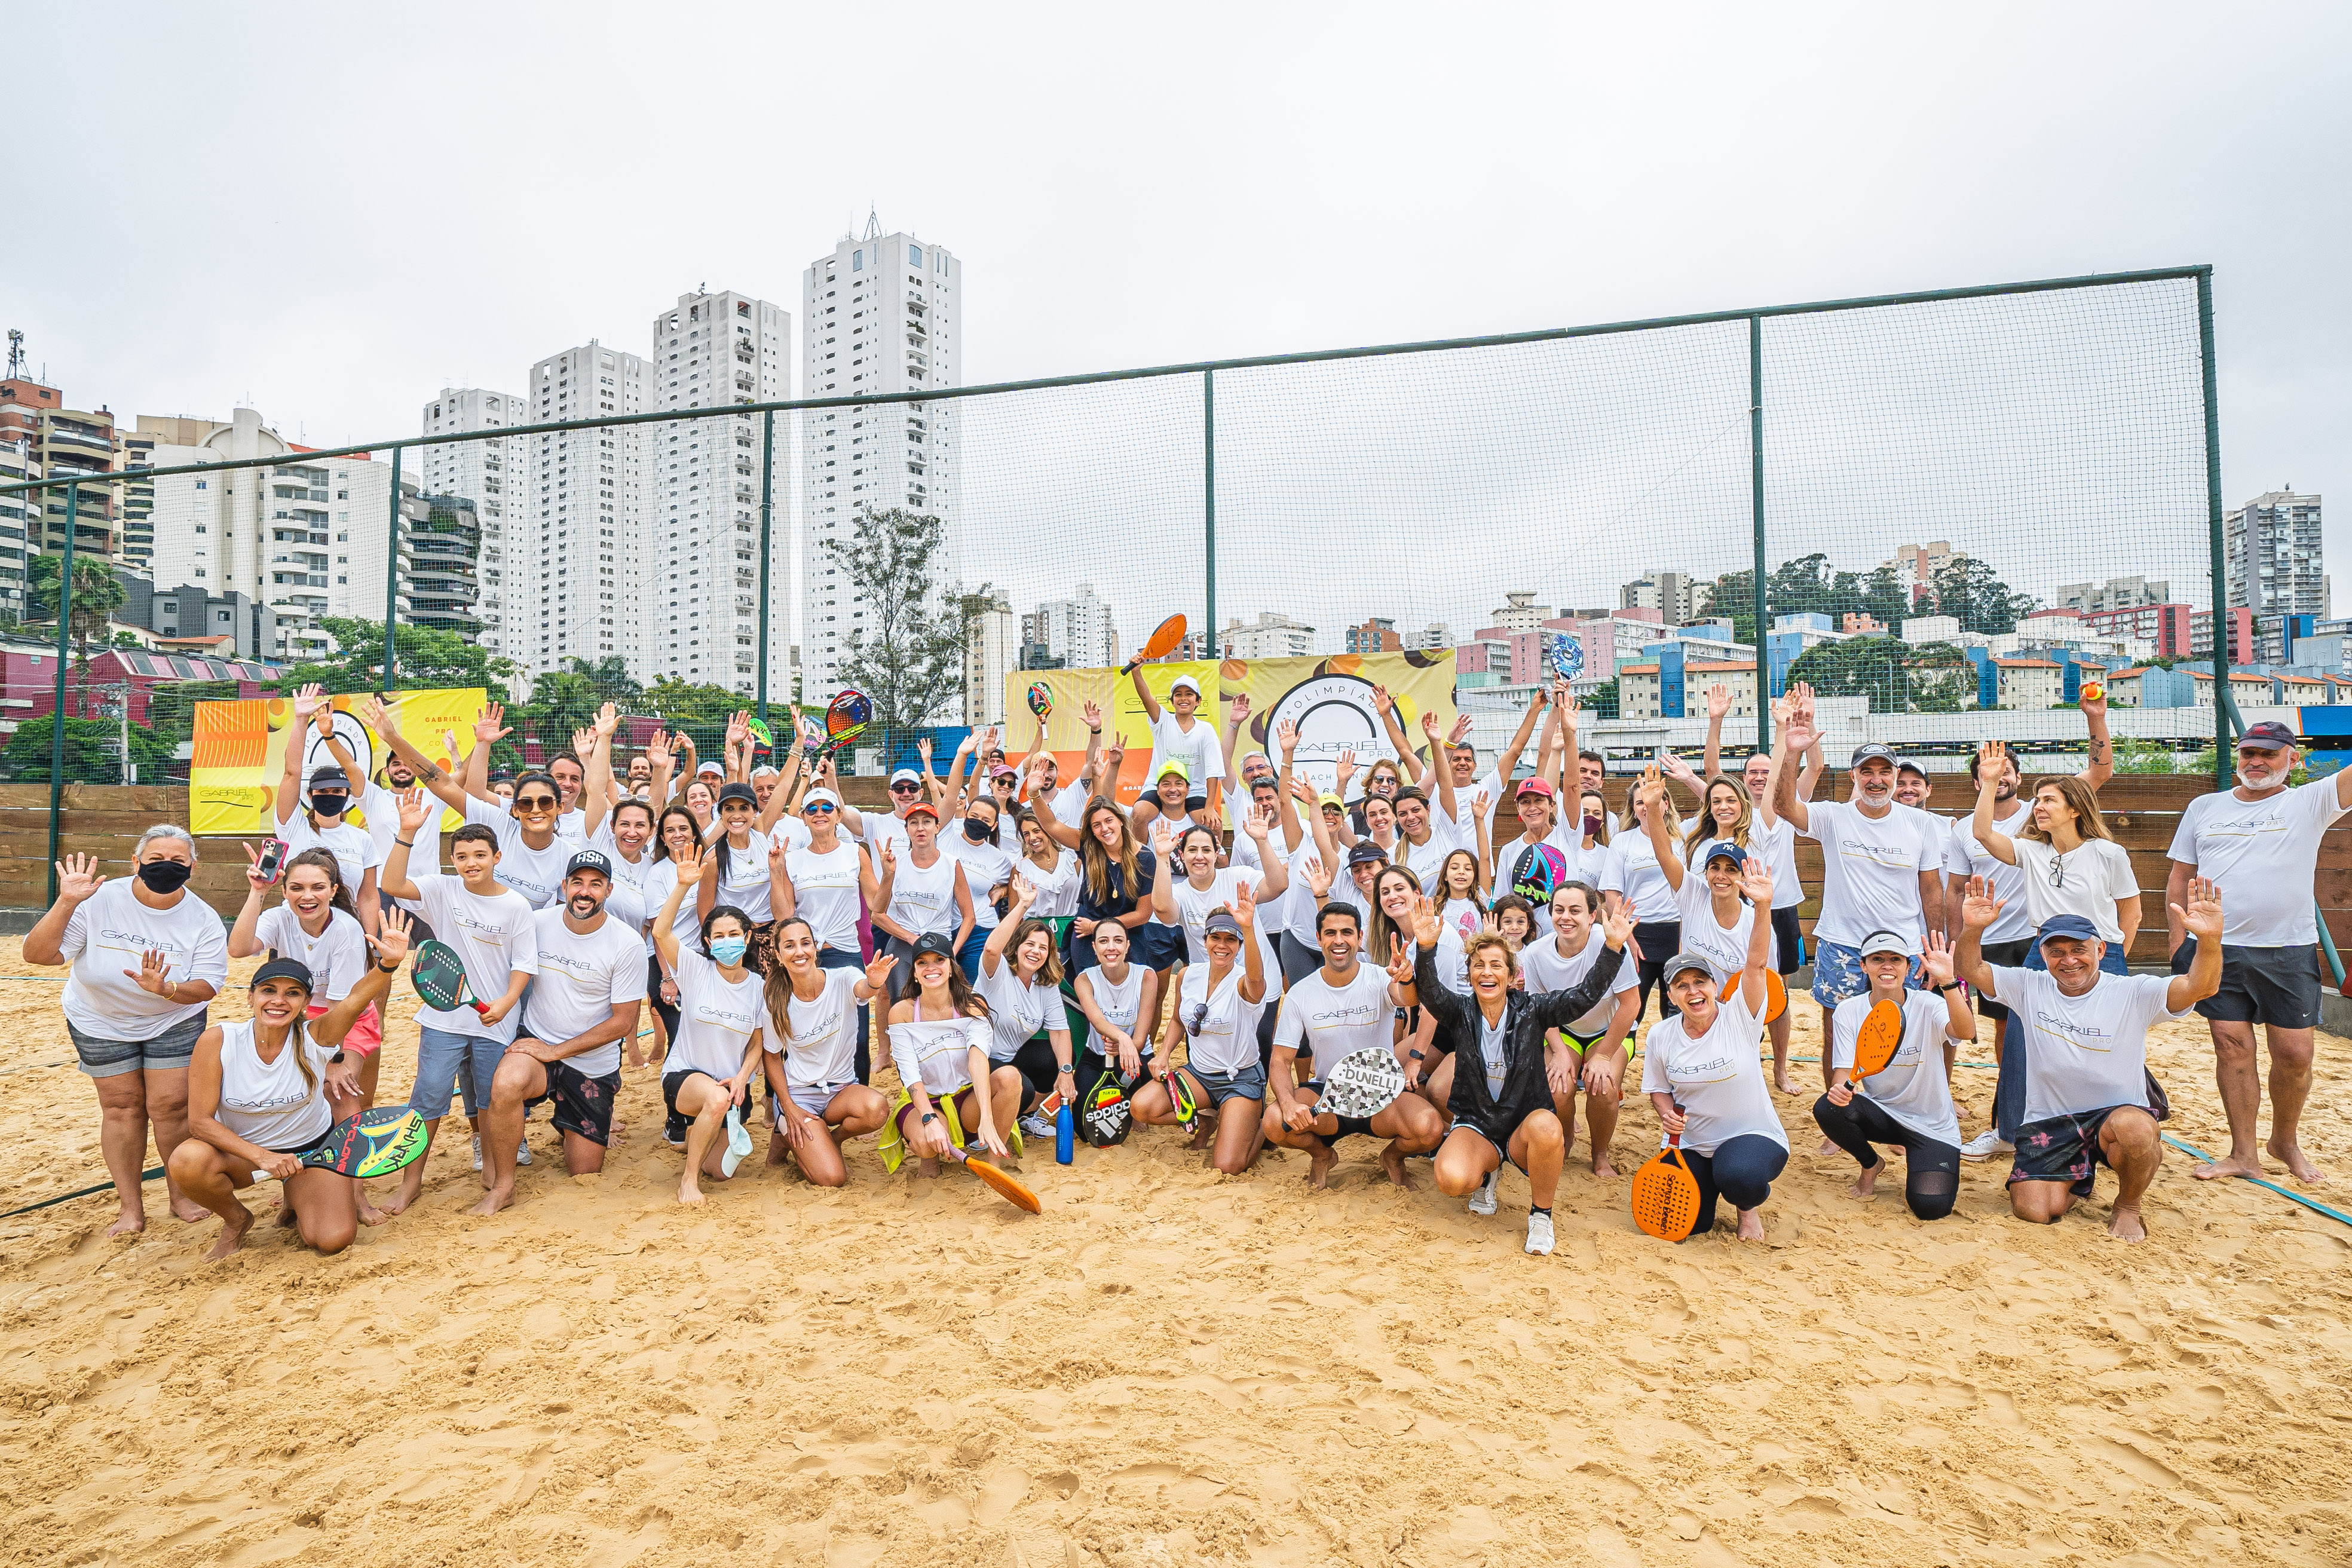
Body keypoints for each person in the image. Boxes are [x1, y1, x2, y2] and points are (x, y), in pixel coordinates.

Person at [1957, 877, 2225, 1240]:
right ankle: (2080, 1175)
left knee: (2136, 1131)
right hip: (2051, 1122)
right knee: (2035, 1211)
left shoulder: (2133, 991)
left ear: (2100, 950)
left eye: (2079, 949)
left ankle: (2128, 1205)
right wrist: (1973, 928)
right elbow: (1971, 969)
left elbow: (2201, 987)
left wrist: (2209, 939)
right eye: (2056, 952)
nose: (2069, 960)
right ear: (2043, 955)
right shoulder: (2029, 985)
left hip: (2114, 1117)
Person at [2165, 720, 2350, 1185]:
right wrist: (2177, 943)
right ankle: (2243, 1154)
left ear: (2293, 759)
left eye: (2268, 754)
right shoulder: (2204, 807)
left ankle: (2284, 1142)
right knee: (2232, 1048)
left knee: (2296, 1054)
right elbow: (2180, 876)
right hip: (2216, 949)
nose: (2256, 761)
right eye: (2249, 752)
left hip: (2287, 950)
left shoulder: (2309, 801)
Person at [168, 913, 413, 1261]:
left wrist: (388, 965)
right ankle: (237, 1221)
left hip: (310, 1153)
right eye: (268, 991)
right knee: (187, 1161)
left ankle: (299, 1192)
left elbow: (355, 1000)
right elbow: (200, 1123)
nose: (279, 1001)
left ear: (305, 1003)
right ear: (250, 996)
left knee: (332, 1240)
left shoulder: (317, 1036)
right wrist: (264, 1158)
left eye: (292, 994)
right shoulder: (219, 1040)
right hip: (245, 1155)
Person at [27, 831, 229, 1236]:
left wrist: (166, 989)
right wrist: (66, 902)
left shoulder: (203, 918)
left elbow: (208, 986)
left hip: (172, 1019)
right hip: (98, 1019)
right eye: (155, 857)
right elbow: (38, 955)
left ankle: (181, 1195)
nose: (166, 865)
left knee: (171, 1107)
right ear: (136, 863)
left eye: (178, 860)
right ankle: (131, 1207)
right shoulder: (98, 900)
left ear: (193, 867)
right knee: (122, 1107)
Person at [1415, 892, 1637, 1254]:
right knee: (1452, 1180)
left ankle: (1541, 1215)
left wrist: (1612, 948)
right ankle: (1488, 1172)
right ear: (1470, 974)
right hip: (1478, 1123)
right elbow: (1429, 991)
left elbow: (1584, 996)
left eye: (1496, 965)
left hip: (1523, 1123)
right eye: (1479, 965)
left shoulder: (1533, 1009)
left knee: (1549, 1129)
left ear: (1511, 974)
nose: (1487, 972)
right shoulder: (1458, 1011)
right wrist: (1426, 948)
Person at [1968, 740, 2143, 1154]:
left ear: (2075, 809)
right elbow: (1982, 833)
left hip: (2101, 955)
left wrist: (2109, 959)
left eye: (2049, 800)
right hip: (2042, 954)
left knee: (2101, 1044)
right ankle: (2009, 1134)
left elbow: (2131, 914)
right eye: (2037, 800)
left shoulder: (2108, 853)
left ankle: (2104, 1133)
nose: (2039, 807)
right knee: (2021, 1042)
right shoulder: (2032, 851)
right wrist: (1989, 783)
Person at [1774, 713, 1946, 1094]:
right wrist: (1791, 754)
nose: (1876, 779)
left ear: (1895, 775)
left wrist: (1935, 949)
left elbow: (1931, 889)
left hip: (1903, 947)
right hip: (1843, 944)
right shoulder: (1833, 816)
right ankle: (1839, 1113)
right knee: (1836, 1031)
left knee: (1905, 1034)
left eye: (1884, 771)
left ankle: (1897, 1109)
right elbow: (1785, 807)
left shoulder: (1920, 824)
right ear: (1854, 776)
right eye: (1866, 771)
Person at [469, 850, 648, 1215]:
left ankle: (569, 1123)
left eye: (595, 884)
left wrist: (558, 1051)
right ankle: (504, 1186)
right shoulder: (536, 923)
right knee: (506, 1084)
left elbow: (623, 1022)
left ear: (609, 890)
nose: (585, 892)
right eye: (577, 882)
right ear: (564, 886)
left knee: (584, 1170)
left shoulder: (627, 943)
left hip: (591, 1063)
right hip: (538, 1043)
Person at [379, 801, 537, 1208]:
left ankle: (492, 1169)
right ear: (453, 860)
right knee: (427, 1100)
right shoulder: (441, 889)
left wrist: (506, 1003)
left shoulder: (516, 906)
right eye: (462, 856)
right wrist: (407, 832)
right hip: (443, 1020)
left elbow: (524, 965)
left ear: (497, 858)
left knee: (490, 1101)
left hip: (494, 1021)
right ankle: (410, 1183)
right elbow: (392, 883)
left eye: (480, 855)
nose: (471, 863)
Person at [1641, 856, 1788, 1241]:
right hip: (1691, 1144)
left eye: (1700, 982)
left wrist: (1763, 907)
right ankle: (1714, 1185)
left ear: (1714, 986)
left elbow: (1756, 964)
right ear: (1671, 996)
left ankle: (1747, 1208)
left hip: (1751, 1135)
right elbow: (1658, 1089)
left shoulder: (1740, 1015)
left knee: (1739, 1177)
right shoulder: (1660, 1035)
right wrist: (1665, 1113)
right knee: (1693, 1226)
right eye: (1682, 986)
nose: (1694, 992)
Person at [1261, 898, 1444, 1189]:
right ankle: (1322, 1155)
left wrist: (1408, 980)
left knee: (1430, 1128)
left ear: (1360, 938)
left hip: (1380, 1095)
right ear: (1319, 939)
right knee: (1274, 1121)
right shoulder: (1300, 993)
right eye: (1330, 933)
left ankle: (1393, 1158)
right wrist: (1288, 1103)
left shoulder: (1379, 977)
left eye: (1347, 932)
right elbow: (1280, 1061)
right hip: (1328, 1099)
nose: (1339, 940)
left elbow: (1408, 999)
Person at [1814, 928, 1971, 1220]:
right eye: (1877, 959)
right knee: (1828, 1107)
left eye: (1895, 959)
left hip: (1931, 1125)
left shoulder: (1929, 1003)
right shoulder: (1848, 1010)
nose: (1887, 966)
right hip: (1883, 1114)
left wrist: (1949, 982)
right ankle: (1871, 1163)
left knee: (1931, 1208)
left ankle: (1922, 1155)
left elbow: (1965, 1032)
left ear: (1908, 967)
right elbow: (1844, 1071)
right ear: (1863, 966)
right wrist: (1839, 1090)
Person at [365, 697, 576, 909]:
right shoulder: (499, 823)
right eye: (526, 804)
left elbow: (562, 913)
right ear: (514, 809)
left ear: (560, 807)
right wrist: (392, 737)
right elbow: (444, 784)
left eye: (545, 802)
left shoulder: (568, 857)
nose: (536, 810)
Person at [646, 844, 768, 1203]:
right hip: (686, 1076)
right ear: (708, 942)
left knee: (721, 1170)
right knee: (714, 1100)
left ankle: (695, 1139)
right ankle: (688, 1180)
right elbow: (661, 933)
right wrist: (683, 885)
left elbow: (757, 1043)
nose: (727, 942)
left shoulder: (759, 987)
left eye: (734, 934)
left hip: (733, 1087)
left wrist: (743, 1077)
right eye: (719, 936)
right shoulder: (696, 969)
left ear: (747, 938)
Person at [1135, 895, 1269, 1174]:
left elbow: (1256, 979)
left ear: (1239, 945)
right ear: (1205, 940)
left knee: (1228, 1166)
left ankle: (1263, 1124)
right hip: (1199, 1075)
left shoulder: (1243, 982)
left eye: (1231, 939)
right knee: (1142, 1107)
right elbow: (1177, 1020)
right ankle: (1205, 1121)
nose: (1222, 945)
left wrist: (1248, 929)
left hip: (1239, 1079)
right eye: (1215, 937)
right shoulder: (1187, 975)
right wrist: (1164, 1054)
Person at [760, 917, 894, 1184]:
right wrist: (788, 1106)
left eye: (805, 943)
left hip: (840, 1090)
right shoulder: (776, 1002)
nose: (800, 951)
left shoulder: (843, 977)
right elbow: (772, 1058)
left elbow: (863, 990)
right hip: (799, 1096)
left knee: (876, 1109)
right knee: (833, 1178)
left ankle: (830, 1140)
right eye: (790, 946)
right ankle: (787, 1133)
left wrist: (874, 983)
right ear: (779, 955)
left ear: (815, 947)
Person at [1519, 882, 1641, 1175]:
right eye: (1559, 910)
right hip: (1563, 1031)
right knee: (1558, 1087)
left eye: (1575, 910)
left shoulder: (1611, 944)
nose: (1566, 917)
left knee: (1603, 1086)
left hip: (1609, 1030)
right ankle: (1565, 1140)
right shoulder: (1536, 953)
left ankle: (1600, 1153)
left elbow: (1631, 1004)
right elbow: (1538, 1010)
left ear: (1592, 916)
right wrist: (1560, 1052)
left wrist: (1604, 1056)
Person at [771, 785, 890, 1083]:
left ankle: (858, 1091)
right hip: (805, 954)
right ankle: (799, 1094)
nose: (820, 813)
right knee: (799, 1029)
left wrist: (889, 875)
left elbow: (877, 904)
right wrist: (776, 873)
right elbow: (784, 915)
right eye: (812, 809)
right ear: (803, 817)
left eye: (827, 808)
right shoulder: (793, 859)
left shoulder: (855, 853)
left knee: (857, 1034)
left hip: (845, 950)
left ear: (838, 815)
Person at [881, 930, 1012, 1178]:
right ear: (915, 973)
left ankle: (994, 1164)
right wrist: (929, 1119)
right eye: (922, 962)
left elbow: (978, 1060)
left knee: (1010, 1077)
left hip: (965, 1098)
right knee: (925, 1141)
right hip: (926, 1099)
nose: (931, 968)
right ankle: (930, 1162)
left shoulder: (972, 1006)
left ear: (951, 968)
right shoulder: (902, 1012)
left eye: (939, 960)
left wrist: (986, 1117)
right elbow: (909, 1073)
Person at [977, 875, 1077, 1142]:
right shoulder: (998, 972)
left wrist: (1066, 1072)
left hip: (1011, 1058)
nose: (1036, 951)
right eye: (1030, 944)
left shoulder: (1046, 983)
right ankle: (986, 1125)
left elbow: (1060, 1031)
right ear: (1017, 946)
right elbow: (991, 949)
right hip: (979, 1058)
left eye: (1043, 947)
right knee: (1026, 1089)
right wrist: (1022, 905)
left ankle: (1022, 1118)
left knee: (1054, 1058)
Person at [274, 686, 382, 932]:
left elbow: (367, 896)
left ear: (347, 797)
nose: (330, 796)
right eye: (322, 792)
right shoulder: (293, 827)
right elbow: (291, 773)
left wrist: (369, 940)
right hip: (295, 930)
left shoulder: (362, 839)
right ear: (310, 795)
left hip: (345, 931)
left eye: (337, 791)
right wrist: (301, 719)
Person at [1604, 764, 1688, 1022]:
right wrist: (1627, 937)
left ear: (1666, 804)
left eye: (1653, 800)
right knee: (1633, 1010)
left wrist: (1686, 937)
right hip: (1638, 933)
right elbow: (1612, 895)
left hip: (1676, 931)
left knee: (1676, 1010)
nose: (1646, 806)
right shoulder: (1623, 841)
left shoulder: (1683, 838)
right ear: (1633, 808)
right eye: (1640, 802)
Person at [869, 800, 974, 1002]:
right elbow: (878, 915)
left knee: (939, 1005)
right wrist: (888, 875)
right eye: (914, 823)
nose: (920, 828)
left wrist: (952, 952)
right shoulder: (896, 864)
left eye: (927, 822)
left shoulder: (951, 864)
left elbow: (969, 917)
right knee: (901, 1003)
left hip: (939, 944)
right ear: (906, 829)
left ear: (937, 827)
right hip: (903, 944)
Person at [1058, 795, 1168, 978]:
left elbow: (1143, 914)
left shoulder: (1145, 858)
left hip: (1127, 936)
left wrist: (1096, 926)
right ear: (1092, 831)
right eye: (1097, 825)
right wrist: (1034, 795)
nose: (1104, 828)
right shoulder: (1090, 849)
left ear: (1121, 821)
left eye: (1109, 821)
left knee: (1131, 989)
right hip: (1086, 937)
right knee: (1088, 988)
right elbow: (1051, 825)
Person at [1073, 917, 1160, 1095]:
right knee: (1082, 1109)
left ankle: (1133, 1106)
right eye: (1103, 941)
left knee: (1128, 1082)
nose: (1111, 947)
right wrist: (1123, 1038)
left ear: (1127, 946)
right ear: (1094, 947)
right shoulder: (1084, 979)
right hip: (1096, 1055)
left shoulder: (1146, 976)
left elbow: (1140, 1040)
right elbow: (1098, 1021)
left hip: (1138, 1053)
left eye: (1118, 940)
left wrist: (1125, 1045)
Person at [940, 791, 1019, 977]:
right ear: (965, 814)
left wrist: (1002, 891)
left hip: (980, 931)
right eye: (974, 816)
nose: (978, 822)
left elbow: (1014, 883)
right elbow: (950, 794)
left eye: (986, 820)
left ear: (994, 825)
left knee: (973, 988)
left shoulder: (999, 859)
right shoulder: (945, 838)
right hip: (942, 926)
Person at [1132, 670, 1224, 808]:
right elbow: (1146, 697)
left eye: (1189, 694)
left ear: (1198, 701)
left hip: (1194, 792)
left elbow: (1213, 771)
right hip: (1157, 787)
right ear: (1172, 701)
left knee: (1210, 821)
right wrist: (1136, 672)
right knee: (1140, 812)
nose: (1183, 699)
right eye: (1178, 695)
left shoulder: (1206, 729)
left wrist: (1210, 806)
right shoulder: (1163, 721)